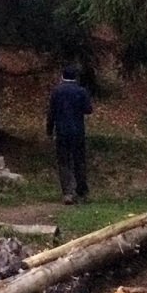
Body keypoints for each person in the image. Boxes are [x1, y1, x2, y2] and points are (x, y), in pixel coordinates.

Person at [46, 65, 93, 204]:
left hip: (61, 131)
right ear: (75, 77)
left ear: (62, 75)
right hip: (78, 131)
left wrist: (49, 129)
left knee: (64, 161)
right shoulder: (81, 91)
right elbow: (88, 110)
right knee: (79, 161)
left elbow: (51, 112)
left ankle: (67, 192)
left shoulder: (56, 91)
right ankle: (82, 191)